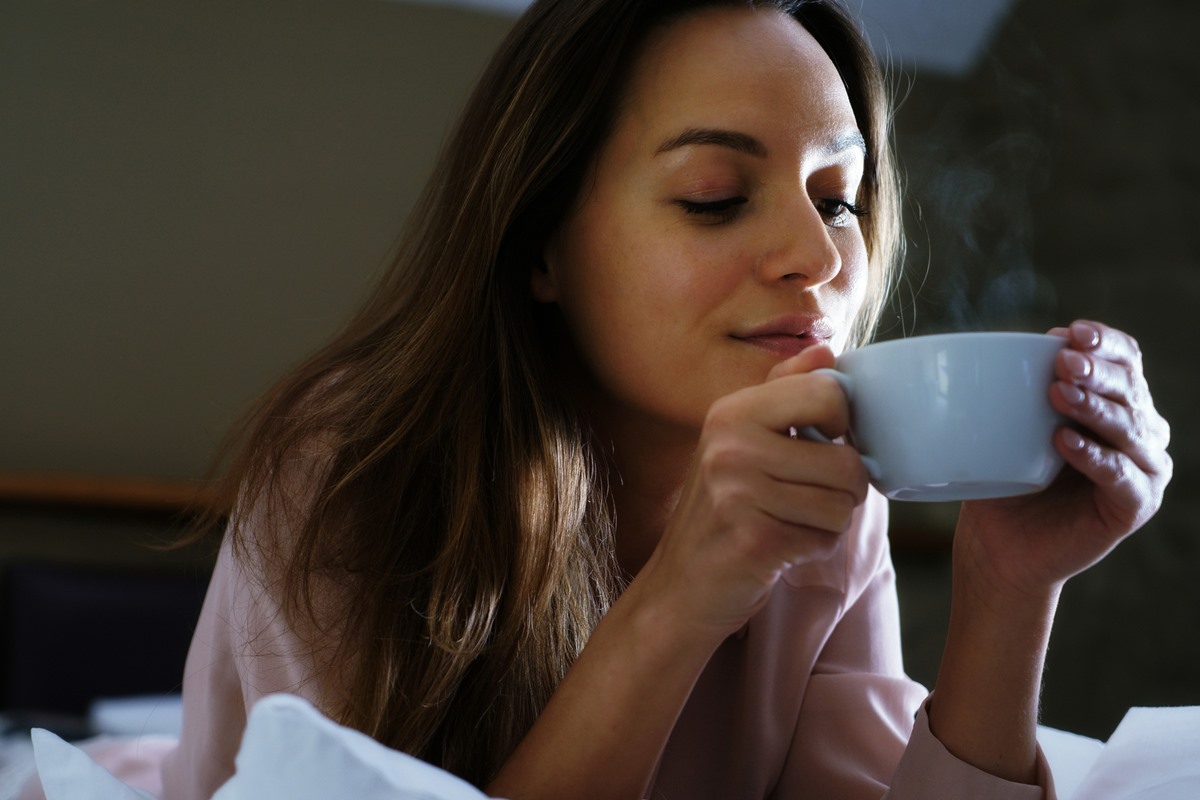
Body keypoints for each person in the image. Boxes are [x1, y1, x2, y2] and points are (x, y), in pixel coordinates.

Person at [23, 0, 1172, 798]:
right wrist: (684, 592)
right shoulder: (351, 472)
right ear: (542, 247)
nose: (819, 258)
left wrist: (1008, 589)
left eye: (838, 198)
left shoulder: (830, 491)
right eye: (717, 196)